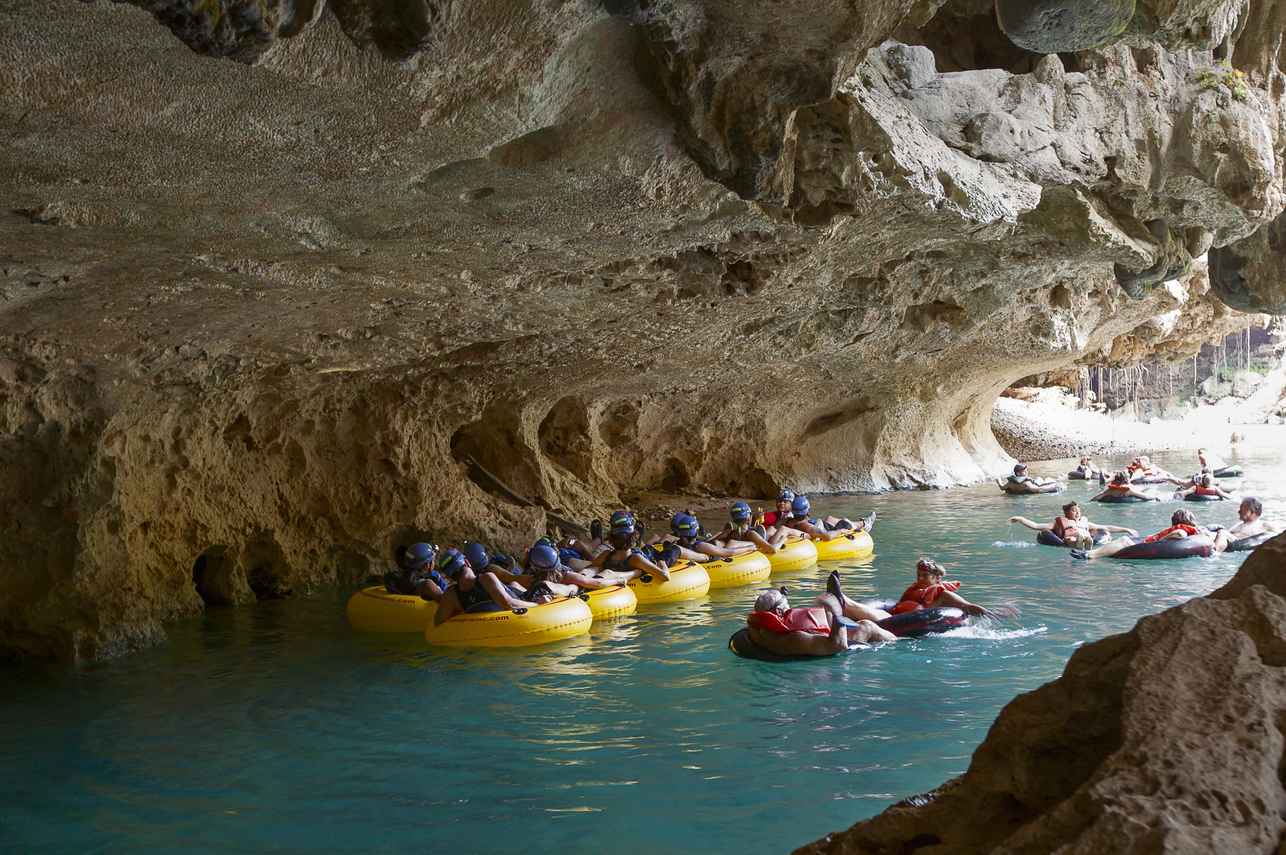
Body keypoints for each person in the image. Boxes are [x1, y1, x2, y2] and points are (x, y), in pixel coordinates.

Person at [744, 573, 897, 657]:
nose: (789, 605)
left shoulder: (758, 629)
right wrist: (836, 612)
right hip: (833, 651)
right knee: (867, 626)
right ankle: (899, 643)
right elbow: (838, 646)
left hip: (816, 641)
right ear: (778, 612)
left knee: (826, 615)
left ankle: (839, 601)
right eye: (786, 602)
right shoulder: (795, 637)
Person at [417, 547, 538, 624]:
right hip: (521, 603)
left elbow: (438, 623)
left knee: (514, 584)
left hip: (485, 624)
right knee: (536, 585)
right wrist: (537, 605)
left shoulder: (451, 594)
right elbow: (509, 604)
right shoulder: (486, 578)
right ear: (467, 562)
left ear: (449, 576)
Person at [890, 558, 1013, 618]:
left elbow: (967, 606)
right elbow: (899, 605)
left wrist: (994, 615)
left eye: (925, 576)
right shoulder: (913, 589)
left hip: (923, 620)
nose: (920, 579)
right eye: (918, 575)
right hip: (904, 621)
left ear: (937, 578)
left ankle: (995, 615)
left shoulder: (943, 595)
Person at [1072, 509, 1202, 560]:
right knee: (1126, 540)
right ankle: (1091, 553)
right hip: (1156, 543)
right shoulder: (1193, 530)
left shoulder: (1182, 529)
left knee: (1124, 540)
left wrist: (1160, 540)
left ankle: (1090, 555)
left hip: (1154, 545)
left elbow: (1180, 534)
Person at [588, 510, 673, 582]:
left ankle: (597, 538)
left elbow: (588, 569)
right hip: (647, 554)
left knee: (648, 548)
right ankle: (639, 542)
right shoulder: (636, 559)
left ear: (611, 538)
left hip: (637, 554)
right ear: (633, 537)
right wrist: (662, 562)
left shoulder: (605, 555)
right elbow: (665, 576)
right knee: (663, 549)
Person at [1009, 502, 1137, 548]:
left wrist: (1126, 529)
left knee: (1087, 535)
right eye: (1074, 510)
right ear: (1066, 512)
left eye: (1078, 510)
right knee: (1071, 538)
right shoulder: (1059, 522)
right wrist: (1020, 518)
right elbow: (1036, 526)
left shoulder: (1085, 522)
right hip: (1071, 540)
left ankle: (1086, 542)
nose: (1077, 512)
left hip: (1087, 537)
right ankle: (1081, 542)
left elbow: (1107, 527)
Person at [660, 511, 757, 562]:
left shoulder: (678, 542)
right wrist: (750, 548)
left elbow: (727, 553)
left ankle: (729, 533)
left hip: (713, 545)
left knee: (724, 541)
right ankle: (730, 533)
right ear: (696, 531)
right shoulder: (698, 545)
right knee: (728, 542)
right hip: (714, 546)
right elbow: (729, 552)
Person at [780, 495, 874, 541]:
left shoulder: (788, 521)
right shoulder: (807, 527)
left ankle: (864, 522)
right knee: (844, 522)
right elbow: (828, 536)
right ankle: (864, 524)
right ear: (807, 511)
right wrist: (840, 531)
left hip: (817, 525)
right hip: (821, 530)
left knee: (829, 518)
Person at [712, 501, 790, 554]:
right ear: (749, 518)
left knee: (725, 543)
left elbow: (711, 542)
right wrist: (782, 540)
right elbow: (772, 549)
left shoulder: (735, 533)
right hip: (741, 548)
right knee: (723, 543)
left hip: (742, 547)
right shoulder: (748, 534)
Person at [384, 542, 451, 596]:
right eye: (433, 560)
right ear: (427, 565)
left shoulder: (395, 578)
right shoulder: (428, 584)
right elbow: (447, 599)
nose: (434, 562)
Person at [1211, 497, 1276, 552]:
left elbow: (1278, 535)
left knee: (1223, 532)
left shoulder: (1263, 524)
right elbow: (1227, 535)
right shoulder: (1238, 525)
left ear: (1253, 512)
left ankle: (1215, 552)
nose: (1239, 511)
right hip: (1231, 542)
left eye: (1243, 509)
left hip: (1242, 543)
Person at [1090, 471, 1159, 502]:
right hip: (1133, 492)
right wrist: (1155, 497)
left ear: (1114, 481)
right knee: (1144, 488)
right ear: (1125, 481)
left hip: (1116, 496)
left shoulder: (1110, 490)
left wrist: (1089, 501)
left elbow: (1096, 498)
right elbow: (1145, 497)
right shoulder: (1128, 490)